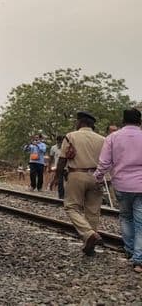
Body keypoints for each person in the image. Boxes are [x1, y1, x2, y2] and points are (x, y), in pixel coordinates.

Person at [94, 109, 142, 273]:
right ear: (139, 121)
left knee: (126, 217)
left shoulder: (112, 138)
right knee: (140, 222)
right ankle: (139, 259)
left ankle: (130, 251)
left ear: (123, 121)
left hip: (121, 185)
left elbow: (104, 162)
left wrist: (98, 177)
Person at [60, 111, 105, 256]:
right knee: (93, 210)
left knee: (71, 207)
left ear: (80, 123)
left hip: (77, 174)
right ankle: (89, 244)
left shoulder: (71, 136)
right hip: (97, 176)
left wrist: (57, 176)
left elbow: (62, 158)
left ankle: (89, 233)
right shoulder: (102, 139)